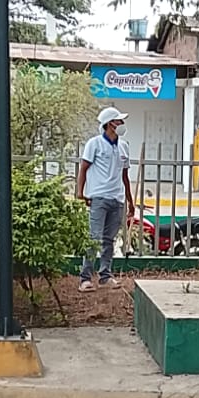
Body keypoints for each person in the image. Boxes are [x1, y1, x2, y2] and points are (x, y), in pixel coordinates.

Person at [77, 106, 134, 290]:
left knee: (109, 239)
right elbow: (83, 168)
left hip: (117, 198)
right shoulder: (94, 144)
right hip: (99, 197)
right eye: (119, 121)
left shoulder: (123, 146)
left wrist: (130, 201)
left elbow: (125, 176)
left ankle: (105, 275)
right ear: (110, 124)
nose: (122, 124)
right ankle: (85, 278)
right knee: (94, 238)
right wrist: (80, 192)